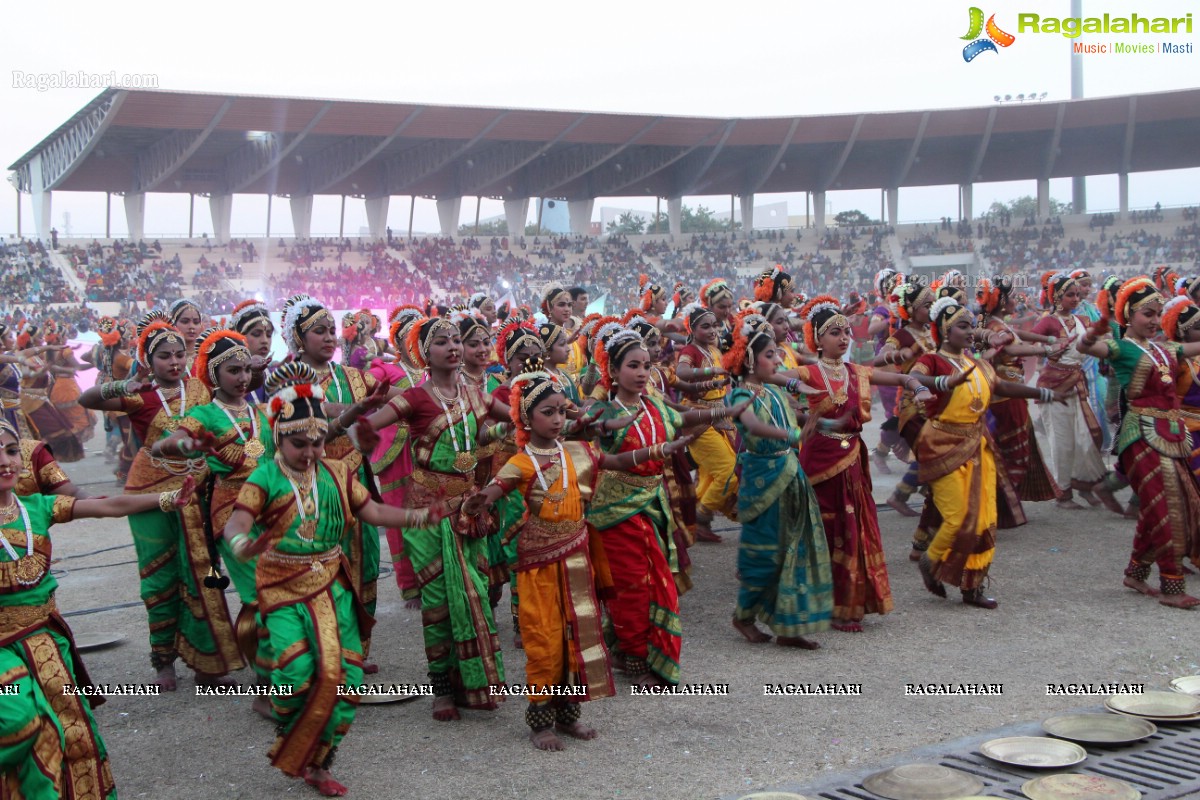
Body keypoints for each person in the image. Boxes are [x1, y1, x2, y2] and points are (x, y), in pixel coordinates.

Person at [224, 363, 445, 797]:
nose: (309, 452)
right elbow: (237, 520)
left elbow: (374, 513)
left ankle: (320, 763)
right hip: (283, 588)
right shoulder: (266, 476)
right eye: (298, 444)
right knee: (297, 673)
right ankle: (292, 730)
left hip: (330, 584)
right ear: (278, 438)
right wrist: (240, 545)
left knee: (344, 677)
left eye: (318, 441)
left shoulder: (338, 472)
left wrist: (420, 516)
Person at [464, 360, 691, 750]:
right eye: (546, 412)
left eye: (560, 411)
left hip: (577, 557)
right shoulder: (522, 462)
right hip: (538, 564)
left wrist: (659, 449)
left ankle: (569, 714)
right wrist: (479, 501)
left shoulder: (580, 452)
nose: (555, 420)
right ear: (525, 417)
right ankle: (540, 721)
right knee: (544, 638)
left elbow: (617, 461)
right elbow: (496, 489)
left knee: (577, 632)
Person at [0, 418, 197, 800]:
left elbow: (110, 506)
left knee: (72, 733)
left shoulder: (37, 507)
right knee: (17, 723)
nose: (5, 462)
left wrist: (168, 499)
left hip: (44, 641)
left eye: (10, 451)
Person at [80, 316, 242, 688]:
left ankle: (207, 661)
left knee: (201, 571)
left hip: (194, 488)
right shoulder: (140, 394)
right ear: (149, 361)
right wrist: (124, 383)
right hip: (149, 494)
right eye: (164, 357)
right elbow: (85, 399)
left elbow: (234, 409)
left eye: (179, 355)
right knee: (159, 577)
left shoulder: (201, 391)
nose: (174, 362)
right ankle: (163, 658)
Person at [364, 315, 513, 720]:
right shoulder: (412, 399)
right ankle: (443, 688)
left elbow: (513, 418)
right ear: (423, 354)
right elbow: (367, 429)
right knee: (438, 599)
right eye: (441, 342)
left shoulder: (476, 396)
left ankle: (473, 683)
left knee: (475, 592)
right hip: (429, 513)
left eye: (455, 341)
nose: (452, 346)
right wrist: (348, 417)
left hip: (469, 510)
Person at [587, 324, 745, 685]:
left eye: (646, 365)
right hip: (615, 512)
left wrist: (721, 413)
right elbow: (598, 429)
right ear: (612, 370)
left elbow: (683, 417)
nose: (642, 372)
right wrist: (610, 424)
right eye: (632, 366)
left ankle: (632, 649)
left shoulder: (654, 403)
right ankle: (636, 658)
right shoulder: (600, 409)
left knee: (654, 582)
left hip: (652, 507)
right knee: (630, 587)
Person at [152, 329, 276, 714]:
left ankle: (279, 680)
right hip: (232, 515)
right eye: (233, 371)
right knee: (261, 597)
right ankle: (266, 688)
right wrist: (187, 444)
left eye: (245, 370)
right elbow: (160, 445)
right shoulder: (203, 414)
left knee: (281, 593)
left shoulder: (259, 414)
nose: (242, 378)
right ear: (214, 375)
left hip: (271, 510)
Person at [913, 297, 1067, 609]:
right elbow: (914, 377)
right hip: (942, 445)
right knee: (958, 518)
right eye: (963, 326)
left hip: (976, 446)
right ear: (945, 331)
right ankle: (930, 560)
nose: (971, 332)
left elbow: (1003, 387)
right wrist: (933, 384)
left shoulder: (979, 364)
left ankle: (973, 587)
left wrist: (1043, 393)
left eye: (972, 326)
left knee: (984, 518)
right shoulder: (932, 360)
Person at [1076, 277, 1200, 608]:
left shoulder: (1165, 348)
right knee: (1167, 506)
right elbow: (1088, 348)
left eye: (1158, 314)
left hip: (1173, 435)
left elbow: (1192, 347)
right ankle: (1172, 585)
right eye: (1148, 314)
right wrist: (1091, 333)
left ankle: (1136, 572)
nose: (1154, 321)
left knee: (1167, 504)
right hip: (1142, 434)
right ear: (1128, 314)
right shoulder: (1121, 347)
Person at [723, 311, 832, 648]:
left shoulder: (773, 389)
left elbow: (789, 386)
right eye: (769, 355)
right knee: (766, 552)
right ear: (750, 360)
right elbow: (755, 427)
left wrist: (813, 400)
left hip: (790, 474)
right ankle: (744, 617)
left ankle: (788, 623)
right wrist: (794, 435)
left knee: (794, 548)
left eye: (776, 353)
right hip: (763, 479)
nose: (777, 359)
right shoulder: (741, 395)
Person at [977, 277, 1065, 503]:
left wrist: (1047, 338)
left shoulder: (998, 323)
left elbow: (1019, 335)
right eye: (1013, 296)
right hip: (1004, 396)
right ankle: (1002, 498)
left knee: (1015, 447)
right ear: (1002, 300)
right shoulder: (993, 327)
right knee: (1014, 449)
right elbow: (1012, 346)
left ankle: (1006, 497)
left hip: (1011, 392)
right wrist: (1045, 350)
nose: (1016, 299)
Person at [1031, 272, 1111, 509]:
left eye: (1077, 294)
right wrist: (1048, 349)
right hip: (1054, 386)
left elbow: (1097, 345)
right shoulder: (1047, 322)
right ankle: (1063, 493)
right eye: (1070, 295)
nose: (1075, 299)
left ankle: (1084, 485)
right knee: (1062, 440)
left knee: (1089, 436)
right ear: (1057, 297)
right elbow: (1033, 348)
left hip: (1078, 382)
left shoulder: (1083, 321)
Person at [674, 301, 737, 542]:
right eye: (705, 327)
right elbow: (681, 373)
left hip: (720, 414)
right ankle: (701, 517)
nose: (712, 331)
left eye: (714, 326)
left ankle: (689, 518)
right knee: (728, 473)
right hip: (699, 418)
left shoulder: (714, 349)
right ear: (692, 329)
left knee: (713, 474)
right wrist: (710, 374)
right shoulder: (690, 352)